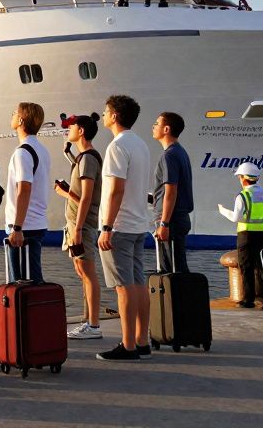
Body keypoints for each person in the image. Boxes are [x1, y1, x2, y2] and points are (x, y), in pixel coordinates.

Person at [96, 95, 154, 361]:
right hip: (138, 223)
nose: (104, 115)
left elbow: (116, 189)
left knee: (123, 286)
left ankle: (128, 344)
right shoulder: (141, 144)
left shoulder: (116, 147)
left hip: (119, 225)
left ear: (115, 116)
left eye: (106, 111)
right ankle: (143, 340)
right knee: (139, 283)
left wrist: (106, 226)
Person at [57, 114, 102, 339]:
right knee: (81, 270)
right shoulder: (82, 158)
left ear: (81, 131)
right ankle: (88, 321)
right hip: (77, 223)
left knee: (88, 271)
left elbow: (87, 197)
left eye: (71, 127)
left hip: (81, 225)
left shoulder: (87, 159)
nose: (68, 130)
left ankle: (93, 325)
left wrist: (78, 228)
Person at [5, 103, 50, 283]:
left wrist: (17, 228)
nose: (13, 115)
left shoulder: (22, 152)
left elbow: (24, 189)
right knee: (33, 280)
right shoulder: (42, 150)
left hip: (24, 227)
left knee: (21, 284)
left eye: (15, 113)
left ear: (21, 120)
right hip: (35, 223)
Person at [219, 162, 263, 308]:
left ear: (243, 178)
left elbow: (236, 218)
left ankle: (248, 300)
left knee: (246, 267)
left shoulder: (243, 196)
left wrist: (223, 210)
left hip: (246, 235)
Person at [151, 112, 194, 273]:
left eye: (157, 123)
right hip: (179, 217)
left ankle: (179, 298)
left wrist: (164, 223)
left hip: (172, 220)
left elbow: (171, 190)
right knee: (177, 267)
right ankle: (184, 297)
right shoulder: (180, 152)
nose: (153, 127)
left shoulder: (168, 155)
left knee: (172, 270)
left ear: (166, 129)